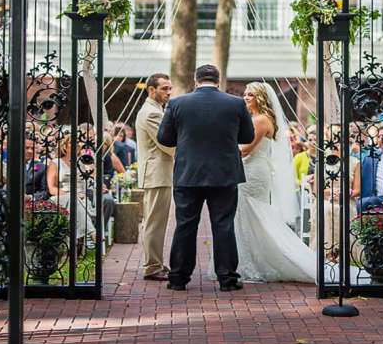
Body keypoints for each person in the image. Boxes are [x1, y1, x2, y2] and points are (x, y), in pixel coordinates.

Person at [157, 64, 254, 291]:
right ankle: (227, 279)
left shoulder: (177, 103)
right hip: (224, 174)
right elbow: (247, 135)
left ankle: (178, 278)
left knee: (185, 226)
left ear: (195, 79)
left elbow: (164, 138)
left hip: (188, 174)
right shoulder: (236, 103)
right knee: (223, 226)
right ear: (218, 80)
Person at [231, 81, 317, 282]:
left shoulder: (260, 120)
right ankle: (248, 260)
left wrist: (220, 151)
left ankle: (260, 262)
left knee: (254, 215)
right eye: (245, 94)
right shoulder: (258, 118)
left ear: (260, 98)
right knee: (247, 216)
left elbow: (245, 150)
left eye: (250, 95)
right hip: (251, 169)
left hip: (252, 171)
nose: (245, 97)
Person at [135, 73, 175, 281]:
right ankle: (152, 266)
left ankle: (156, 262)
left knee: (157, 221)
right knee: (155, 222)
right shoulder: (151, 113)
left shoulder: (156, 110)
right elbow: (167, 144)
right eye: (164, 88)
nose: (169, 92)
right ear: (151, 90)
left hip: (158, 173)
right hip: (157, 174)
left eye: (170, 88)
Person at [24, 135, 48, 199]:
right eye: (27, 148)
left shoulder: (42, 167)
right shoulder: (9, 164)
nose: (30, 151)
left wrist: (30, 197)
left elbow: (45, 192)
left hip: (30, 204)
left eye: (32, 148)